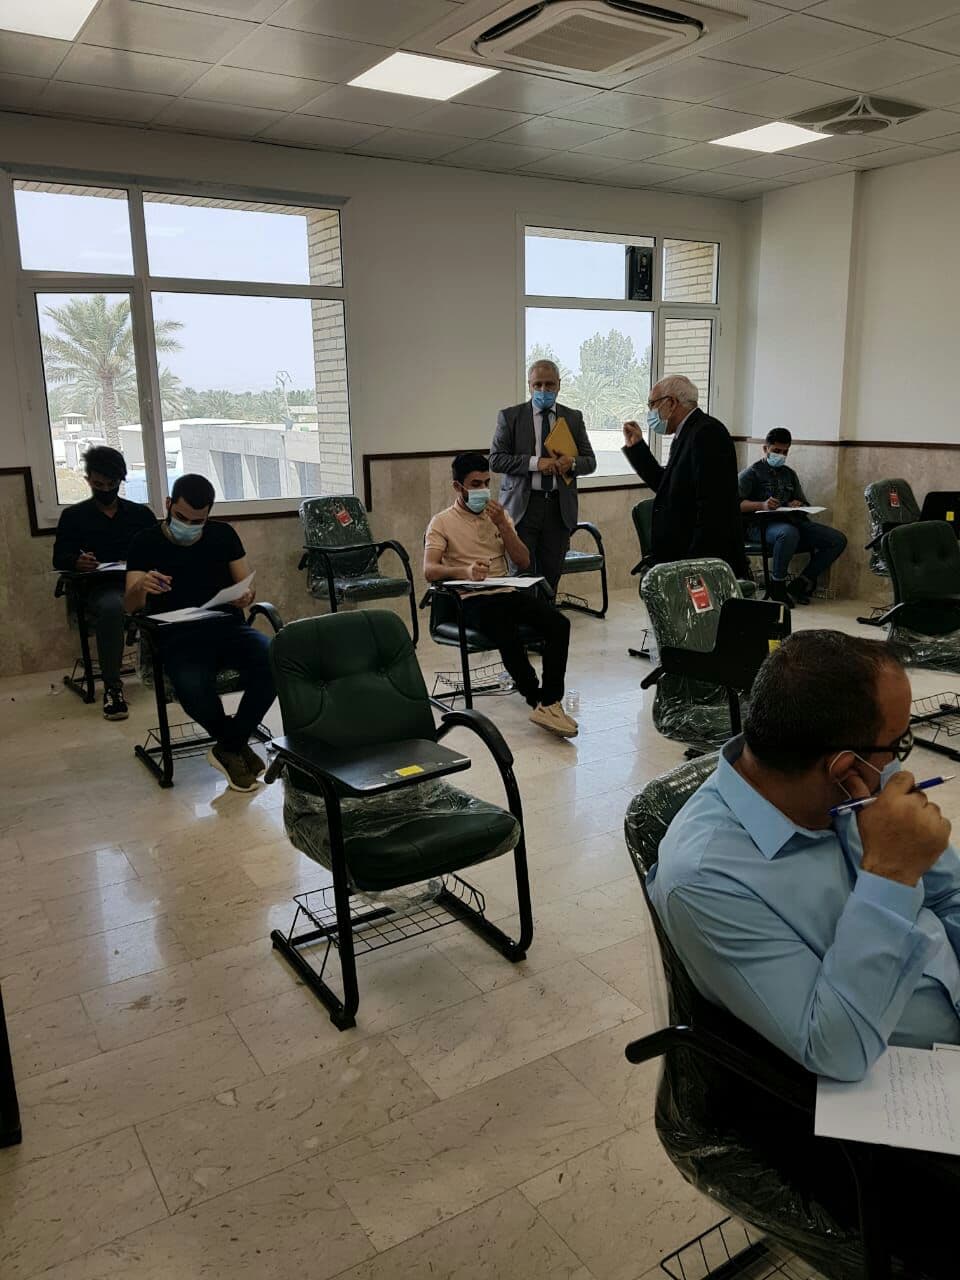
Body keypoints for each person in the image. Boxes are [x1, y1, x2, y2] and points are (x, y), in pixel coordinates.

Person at [648, 630, 959, 1083]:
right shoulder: (704, 880)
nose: (898, 769)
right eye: (897, 744)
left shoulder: (863, 777)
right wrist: (891, 875)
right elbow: (836, 1050)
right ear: (843, 768)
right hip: (905, 1079)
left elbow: (950, 894)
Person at [124, 473, 276, 792]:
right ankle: (234, 745)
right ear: (168, 505)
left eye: (198, 521)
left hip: (226, 625)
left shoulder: (223, 535)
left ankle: (229, 746)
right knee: (192, 683)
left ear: (209, 514)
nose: (189, 525)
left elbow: (245, 586)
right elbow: (130, 604)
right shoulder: (145, 541)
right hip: (176, 634)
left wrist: (245, 596)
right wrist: (141, 587)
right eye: (181, 517)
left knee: (275, 660)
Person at [424, 452, 577, 738]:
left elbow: (522, 560)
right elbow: (429, 570)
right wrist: (465, 570)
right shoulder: (441, 522)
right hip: (471, 598)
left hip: (506, 590)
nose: (483, 490)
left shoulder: (499, 515)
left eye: (486, 483)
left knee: (559, 623)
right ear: (458, 486)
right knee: (506, 631)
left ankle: (551, 701)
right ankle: (536, 699)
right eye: (475, 484)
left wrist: (504, 526)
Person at [52, 445, 156, 721]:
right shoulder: (74, 517)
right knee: (112, 607)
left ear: (121, 481)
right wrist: (77, 561)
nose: (106, 490)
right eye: (99, 484)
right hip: (100, 587)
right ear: (88, 481)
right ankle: (113, 688)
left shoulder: (140, 515)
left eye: (112, 484)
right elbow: (59, 557)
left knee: (178, 593)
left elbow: (159, 550)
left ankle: (177, 672)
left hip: (140, 582)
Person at [622, 375, 748, 577]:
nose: (651, 412)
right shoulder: (686, 433)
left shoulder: (707, 433)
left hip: (701, 559)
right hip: (684, 555)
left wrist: (693, 565)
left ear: (671, 403)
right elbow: (668, 486)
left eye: (652, 404)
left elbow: (712, 507)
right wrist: (637, 448)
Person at [490, 358, 596, 592]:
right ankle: (523, 616)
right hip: (522, 508)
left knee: (551, 577)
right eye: (537, 384)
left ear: (559, 385)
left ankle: (547, 614)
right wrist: (535, 463)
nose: (543, 390)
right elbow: (496, 460)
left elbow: (590, 462)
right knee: (521, 576)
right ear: (529, 385)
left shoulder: (573, 418)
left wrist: (572, 463)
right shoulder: (510, 417)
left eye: (549, 384)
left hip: (558, 509)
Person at [739, 426, 847, 607]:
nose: (780, 455)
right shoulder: (751, 474)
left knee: (836, 540)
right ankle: (778, 585)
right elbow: (733, 505)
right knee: (788, 533)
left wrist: (797, 505)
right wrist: (762, 505)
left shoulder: (789, 474)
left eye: (785, 452)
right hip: (760, 527)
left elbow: (803, 502)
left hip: (792, 521)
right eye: (776, 451)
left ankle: (801, 583)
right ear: (765, 448)